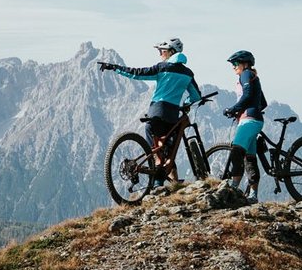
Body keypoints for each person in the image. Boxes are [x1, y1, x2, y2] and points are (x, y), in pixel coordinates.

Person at [97, 38, 202, 184]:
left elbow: (137, 73)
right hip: (172, 114)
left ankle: (157, 175)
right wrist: (186, 103)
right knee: (168, 150)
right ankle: (164, 183)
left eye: (162, 51)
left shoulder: (162, 67)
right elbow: (196, 96)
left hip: (157, 110)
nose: (160, 54)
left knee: (153, 142)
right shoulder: (188, 73)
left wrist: (115, 67)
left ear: (171, 52)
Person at [219, 49, 266, 186]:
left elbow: (247, 95)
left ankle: (234, 187)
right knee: (250, 159)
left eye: (235, 63)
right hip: (254, 119)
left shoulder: (245, 74)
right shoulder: (253, 76)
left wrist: (234, 109)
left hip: (249, 121)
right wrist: (246, 110)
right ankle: (253, 194)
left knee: (236, 151)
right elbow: (263, 103)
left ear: (245, 64)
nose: (233, 67)